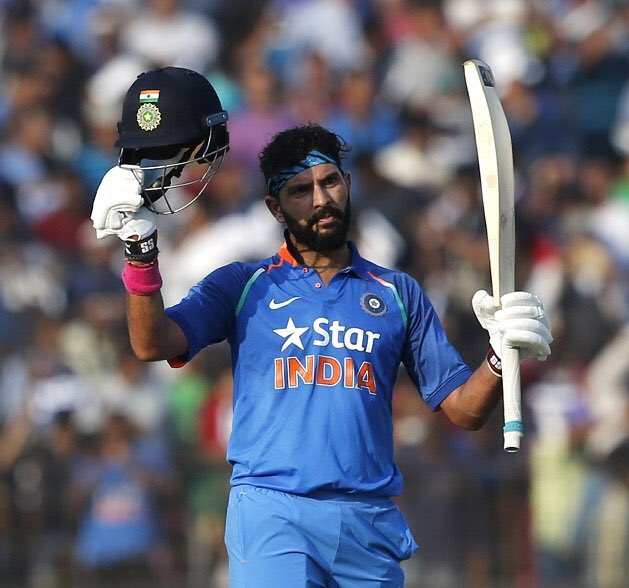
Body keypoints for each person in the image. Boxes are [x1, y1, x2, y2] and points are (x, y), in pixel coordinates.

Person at [90, 65, 553, 587]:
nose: (321, 199)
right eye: (300, 190)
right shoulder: (242, 285)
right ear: (274, 207)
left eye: (330, 181)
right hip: (272, 511)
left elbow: (464, 411)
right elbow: (152, 343)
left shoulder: (398, 294)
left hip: (367, 522)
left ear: (347, 183)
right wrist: (140, 252)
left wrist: (500, 355)